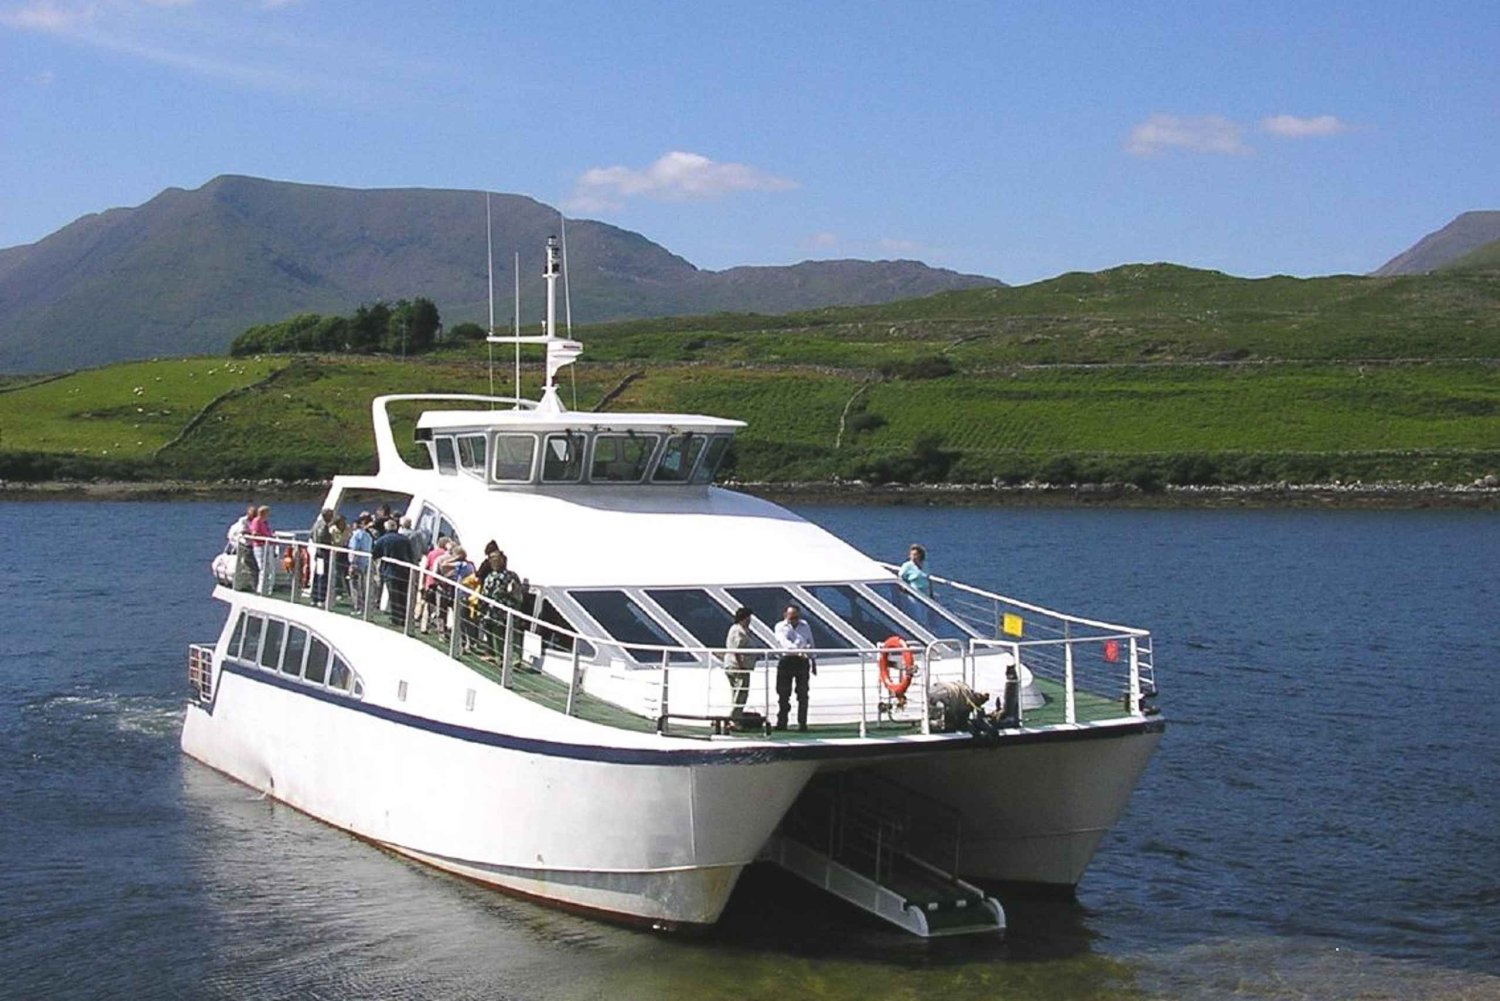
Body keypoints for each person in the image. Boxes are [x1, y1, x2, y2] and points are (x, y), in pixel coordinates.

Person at [478, 550, 526, 663]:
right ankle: (514, 659)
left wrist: (482, 608)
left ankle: (501, 658)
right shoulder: (512, 575)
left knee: (499, 635)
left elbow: (485, 595)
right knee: (511, 635)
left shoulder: (491, 577)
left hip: (497, 611)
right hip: (509, 610)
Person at [773, 605, 815, 732]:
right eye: (792, 617)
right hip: (787, 661)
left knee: (803, 693)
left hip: (802, 661)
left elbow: (810, 642)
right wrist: (799, 651)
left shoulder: (805, 625)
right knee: (783, 693)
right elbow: (784, 643)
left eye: (796, 617)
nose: (795, 620)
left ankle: (802, 723)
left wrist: (813, 658)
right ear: (785, 616)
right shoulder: (780, 626)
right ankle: (782, 722)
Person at [371, 519, 416, 627]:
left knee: (394, 595)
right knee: (403, 595)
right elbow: (411, 555)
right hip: (405, 571)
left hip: (389, 571)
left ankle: (396, 619)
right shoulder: (405, 539)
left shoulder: (383, 540)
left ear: (386, 528)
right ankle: (404, 618)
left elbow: (375, 554)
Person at [724, 607, 756, 726]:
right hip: (737, 667)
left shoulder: (742, 629)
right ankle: (734, 719)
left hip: (737, 666)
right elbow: (736, 650)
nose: (749, 620)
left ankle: (735, 718)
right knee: (741, 693)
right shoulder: (738, 630)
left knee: (738, 693)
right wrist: (741, 666)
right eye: (748, 618)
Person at [347, 514, 373, 612]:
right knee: (363, 585)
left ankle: (357, 606)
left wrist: (352, 563)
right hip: (365, 562)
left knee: (355, 585)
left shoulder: (356, 535)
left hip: (357, 563)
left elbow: (354, 549)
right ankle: (365, 606)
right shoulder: (367, 535)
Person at [309, 508, 335, 604]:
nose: (332, 517)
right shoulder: (323, 526)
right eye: (331, 515)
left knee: (318, 574)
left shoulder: (317, 523)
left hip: (318, 552)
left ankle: (314, 597)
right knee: (323, 575)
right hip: (323, 553)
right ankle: (321, 598)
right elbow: (321, 537)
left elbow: (311, 534)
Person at [247, 505, 273, 593]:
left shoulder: (264, 522)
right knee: (263, 567)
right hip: (259, 547)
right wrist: (265, 538)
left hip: (266, 546)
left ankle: (266, 587)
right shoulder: (257, 521)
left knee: (267, 567)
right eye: (267, 513)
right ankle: (261, 589)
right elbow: (254, 534)